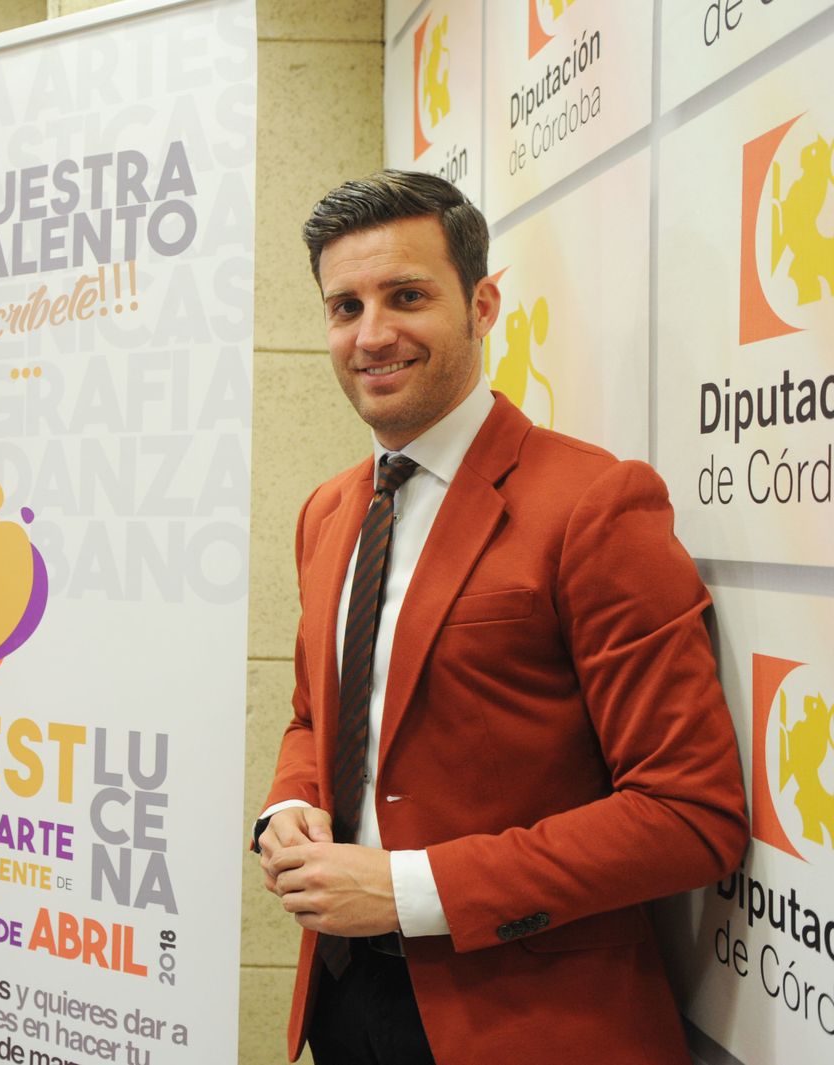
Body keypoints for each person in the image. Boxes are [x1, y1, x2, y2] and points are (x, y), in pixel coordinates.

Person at [254, 172, 747, 1065]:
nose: (372, 334)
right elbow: (313, 715)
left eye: (408, 296)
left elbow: (688, 813)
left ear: (482, 304)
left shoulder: (593, 503)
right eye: (345, 305)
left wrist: (408, 889)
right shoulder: (329, 511)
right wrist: (289, 801)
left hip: (530, 1023)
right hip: (343, 1001)